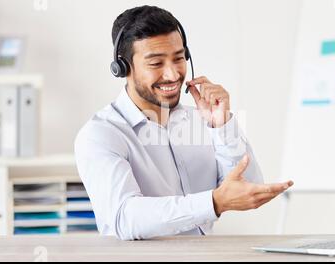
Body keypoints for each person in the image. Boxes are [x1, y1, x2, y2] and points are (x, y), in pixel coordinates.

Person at [74, 5, 293, 240]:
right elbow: (124, 218)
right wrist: (213, 203)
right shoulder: (101, 134)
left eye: (178, 58)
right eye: (156, 64)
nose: (172, 74)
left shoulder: (201, 119)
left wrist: (222, 126)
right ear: (123, 67)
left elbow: (248, 187)